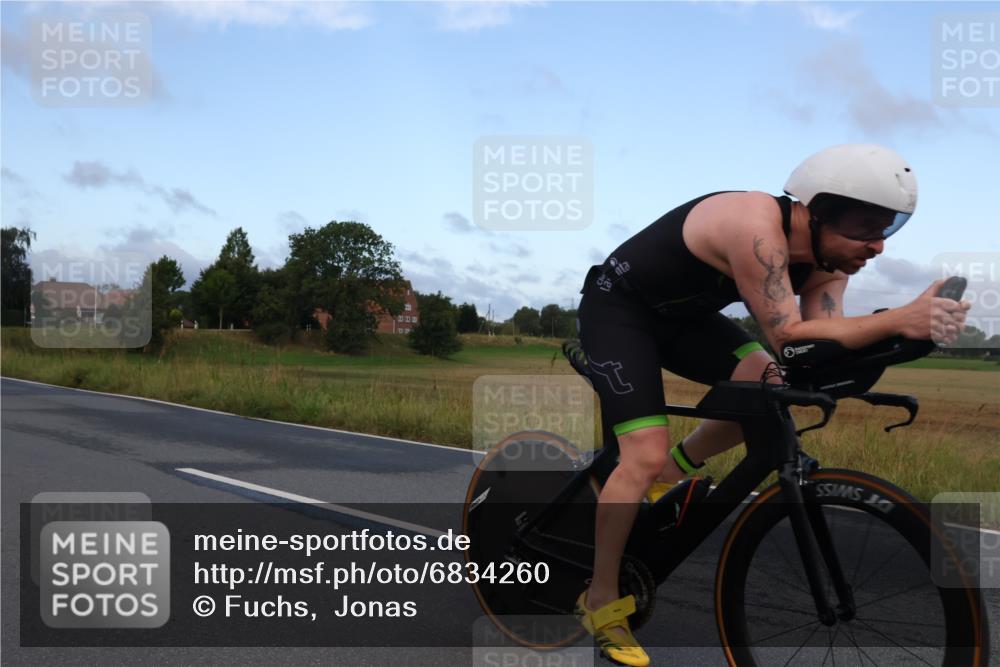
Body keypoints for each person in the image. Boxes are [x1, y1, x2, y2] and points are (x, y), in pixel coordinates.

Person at [572, 143, 971, 667]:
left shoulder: (828, 266)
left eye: (887, 226)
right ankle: (600, 600)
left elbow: (814, 348)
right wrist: (899, 318)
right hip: (619, 311)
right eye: (863, 224)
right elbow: (789, 334)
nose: (875, 245)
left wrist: (891, 348)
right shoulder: (753, 223)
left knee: (769, 382)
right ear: (814, 209)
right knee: (641, 454)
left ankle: (677, 468)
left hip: (684, 320)